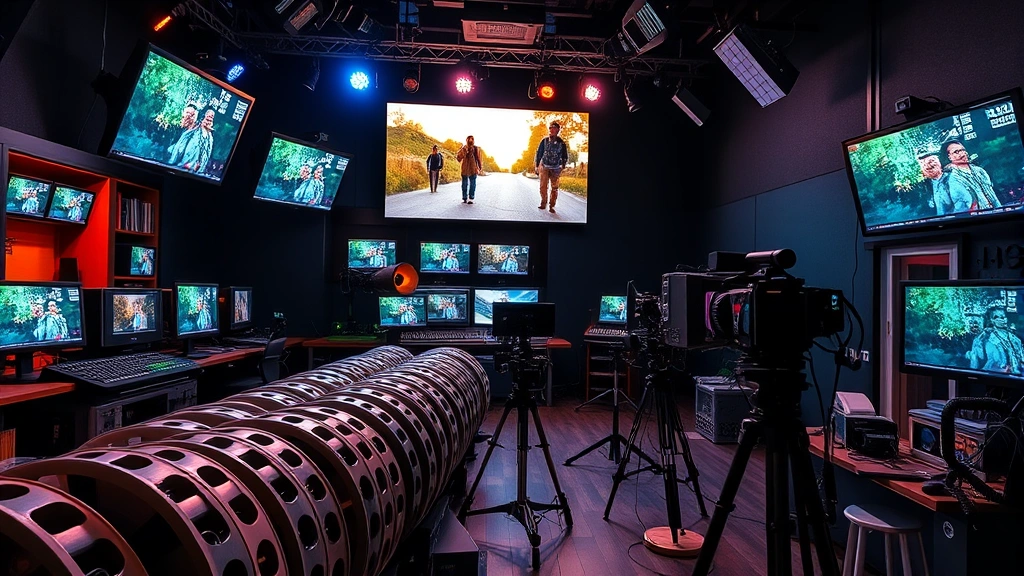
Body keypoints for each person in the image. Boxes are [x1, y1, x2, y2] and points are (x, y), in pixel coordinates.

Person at [943, 139, 1001, 211]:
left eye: (962, 150)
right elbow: (963, 206)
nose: (962, 153)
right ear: (949, 157)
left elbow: (993, 196)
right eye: (956, 152)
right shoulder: (953, 179)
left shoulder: (980, 171)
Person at [967, 307, 1024, 375]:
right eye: (998, 317)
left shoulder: (1015, 339)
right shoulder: (984, 338)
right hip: (991, 377)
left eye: (1004, 317)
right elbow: (975, 365)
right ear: (992, 320)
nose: (1003, 319)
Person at [534, 121, 568, 213]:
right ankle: (543, 202)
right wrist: (537, 166)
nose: (551, 130)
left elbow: (565, 155)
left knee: (554, 188)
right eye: (550, 128)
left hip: (556, 168)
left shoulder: (561, 143)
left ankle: (552, 206)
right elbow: (539, 153)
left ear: (558, 130)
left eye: (554, 128)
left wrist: (563, 166)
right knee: (543, 186)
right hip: (544, 166)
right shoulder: (544, 141)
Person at [169, 108, 215, 174]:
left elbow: (207, 154)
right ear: (203, 118)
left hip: (197, 170)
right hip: (185, 164)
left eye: (211, 119)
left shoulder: (210, 137)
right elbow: (181, 144)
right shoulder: (194, 129)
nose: (209, 121)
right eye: (208, 118)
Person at [456, 135, 482, 204]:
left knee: (471, 183)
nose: (471, 141)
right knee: (466, 183)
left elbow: (478, 158)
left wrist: (479, 167)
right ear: (467, 140)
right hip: (466, 168)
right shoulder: (464, 148)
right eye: (469, 140)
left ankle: (469, 198)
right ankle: (467, 198)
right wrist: (464, 150)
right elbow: (458, 158)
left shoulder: (475, 149)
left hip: (472, 168)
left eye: (472, 139)